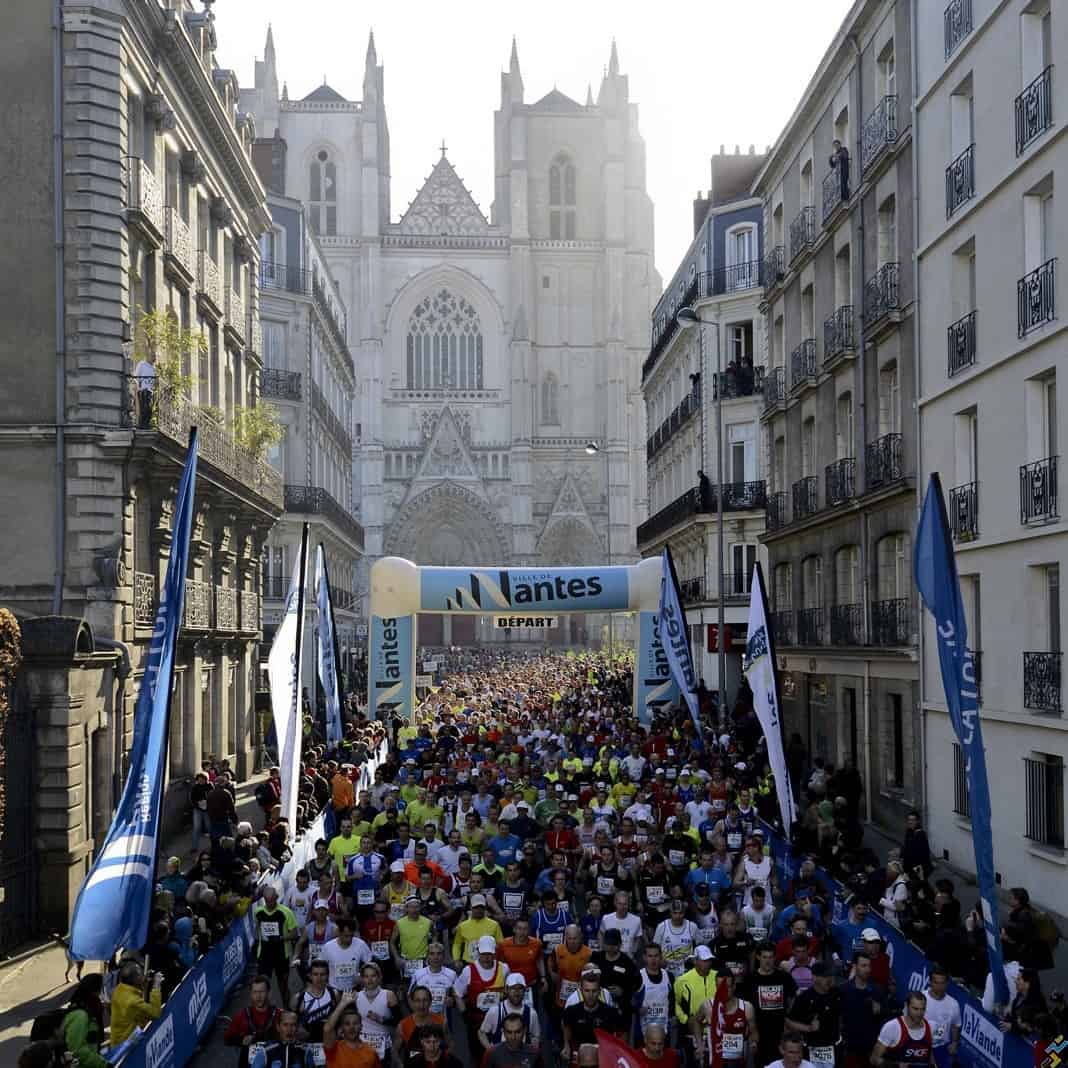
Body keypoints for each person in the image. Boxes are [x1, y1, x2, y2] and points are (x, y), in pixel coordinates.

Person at [561, 973, 625, 1063]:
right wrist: (566, 1046)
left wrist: (619, 1052)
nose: (590, 995)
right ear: (581, 990)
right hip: (579, 1060)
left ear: (599, 991)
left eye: (594, 991)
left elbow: (621, 1034)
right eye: (587, 991)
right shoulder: (571, 1011)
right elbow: (566, 1025)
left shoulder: (611, 1013)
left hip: (603, 1059)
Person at [697, 972, 757, 1068]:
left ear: (734, 986)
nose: (723, 991)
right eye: (720, 987)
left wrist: (754, 1042)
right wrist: (699, 1043)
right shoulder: (707, 1006)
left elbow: (754, 1032)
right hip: (714, 1062)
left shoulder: (747, 1007)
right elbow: (695, 1021)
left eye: (727, 987)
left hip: (738, 1062)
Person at [226, 975, 284, 1068]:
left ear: (269, 993)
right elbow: (227, 1039)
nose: (258, 996)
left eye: (262, 992)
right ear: (251, 994)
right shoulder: (241, 1016)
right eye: (255, 992)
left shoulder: (280, 1014)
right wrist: (241, 1040)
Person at [254, 887, 300, 1001]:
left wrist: (281, 938)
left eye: (272, 900)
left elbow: (294, 934)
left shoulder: (286, 912)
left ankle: (287, 1010)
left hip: (281, 954)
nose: (270, 903)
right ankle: (265, 1013)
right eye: (267, 900)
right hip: (264, 954)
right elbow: (257, 930)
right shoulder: (258, 912)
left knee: (283, 985)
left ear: (277, 897)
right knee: (262, 986)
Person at [480, 973, 542, 1051]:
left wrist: (532, 1054)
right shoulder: (495, 1011)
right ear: (506, 990)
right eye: (513, 988)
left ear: (524, 990)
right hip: (500, 1060)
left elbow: (535, 1036)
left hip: (521, 1059)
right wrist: (490, 1051)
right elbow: (482, 1033)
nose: (517, 992)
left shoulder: (532, 1014)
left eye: (520, 988)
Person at [871, 992, 934, 1067]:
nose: (919, 1013)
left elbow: (931, 1059)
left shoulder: (931, 1027)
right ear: (906, 1006)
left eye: (922, 1009)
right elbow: (874, 1059)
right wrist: (896, 1066)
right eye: (915, 1009)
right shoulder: (892, 1027)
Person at [109, 959, 163, 1044]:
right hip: (126, 1047)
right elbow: (155, 1013)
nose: (143, 976)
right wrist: (156, 987)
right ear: (136, 979)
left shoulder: (119, 989)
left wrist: (142, 985)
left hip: (118, 1041)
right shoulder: (133, 1002)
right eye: (141, 975)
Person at [60, 974, 108, 1068]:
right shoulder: (81, 1016)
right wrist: (102, 1064)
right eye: (101, 987)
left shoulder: (90, 1009)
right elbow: (76, 1050)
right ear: (95, 991)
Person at [322, 991, 381, 1068]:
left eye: (355, 1023)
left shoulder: (371, 1052)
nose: (351, 1027)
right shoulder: (334, 1048)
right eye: (347, 1024)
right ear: (342, 1028)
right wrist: (342, 1004)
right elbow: (327, 1029)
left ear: (361, 1026)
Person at [354, 963, 399, 1062]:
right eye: (366, 976)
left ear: (379, 977)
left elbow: (398, 1021)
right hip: (362, 1043)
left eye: (373, 976)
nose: (370, 980)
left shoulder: (389, 995)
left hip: (383, 1044)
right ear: (362, 978)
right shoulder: (356, 996)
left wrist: (381, 1019)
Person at [921, 966, 961, 1068]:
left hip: (942, 1048)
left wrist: (955, 1042)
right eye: (936, 982)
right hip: (920, 1045)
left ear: (947, 983)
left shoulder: (953, 1004)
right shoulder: (920, 999)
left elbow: (955, 1025)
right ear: (930, 982)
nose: (939, 986)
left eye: (942, 983)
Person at [394, 985, 446, 1063]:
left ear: (430, 1001)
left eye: (425, 1000)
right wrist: (400, 1065)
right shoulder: (403, 1025)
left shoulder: (441, 1022)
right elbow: (394, 1050)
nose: (421, 1005)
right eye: (417, 1000)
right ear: (412, 1002)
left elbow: (450, 1045)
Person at [292, 958, 339, 1043]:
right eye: (315, 974)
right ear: (310, 976)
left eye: (322, 974)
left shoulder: (334, 994)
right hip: (308, 1044)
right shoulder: (299, 998)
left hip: (330, 1042)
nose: (319, 978)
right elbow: (292, 1022)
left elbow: (340, 1018)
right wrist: (298, 1029)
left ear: (328, 975)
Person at [250, 1010, 314, 1068]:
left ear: (297, 1028)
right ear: (278, 1027)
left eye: (293, 1025)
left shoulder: (306, 1051)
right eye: (285, 1025)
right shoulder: (265, 1051)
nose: (289, 1029)